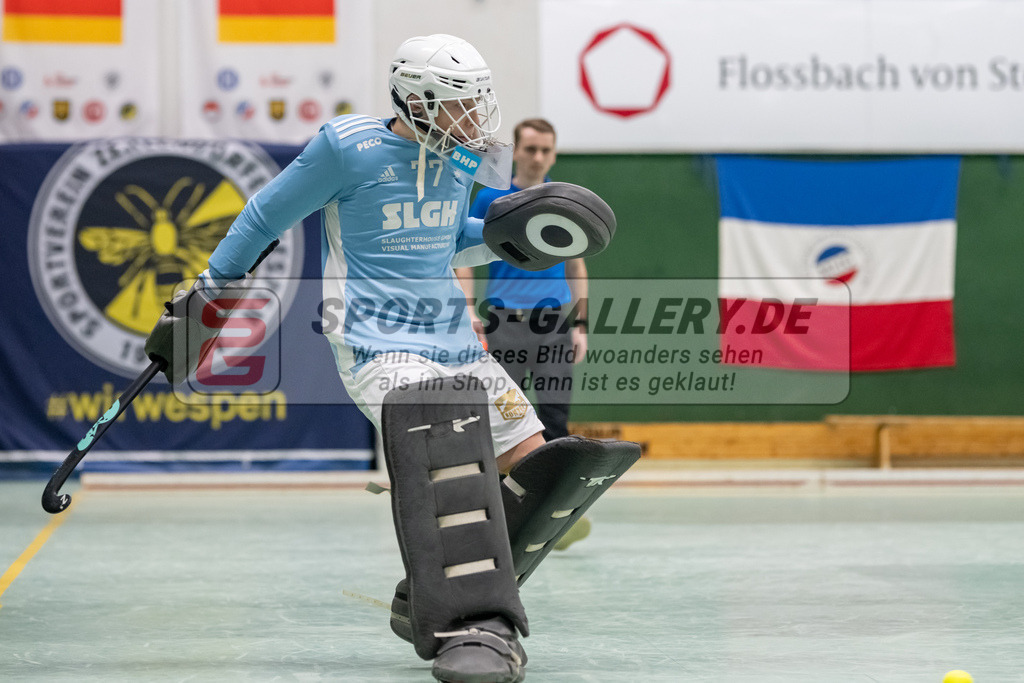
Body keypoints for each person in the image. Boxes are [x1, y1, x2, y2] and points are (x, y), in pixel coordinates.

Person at [144, 34, 638, 683]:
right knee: (443, 447)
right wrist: (208, 296)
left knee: (541, 468)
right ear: (419, 101)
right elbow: (263, 217)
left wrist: (506, 238)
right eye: (463, 102)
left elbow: (446, 241)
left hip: (452, 336)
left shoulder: (461, 153)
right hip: (376, 340)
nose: (478, 115)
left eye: (480, 100)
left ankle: (431, 594)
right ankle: (470, 621)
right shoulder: (345, 148)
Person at [455, 118, 591, 551]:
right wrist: (468, 311)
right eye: (530, 149)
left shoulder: (562, 200)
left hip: (553, 326)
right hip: (503, 325)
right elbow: (462, 256)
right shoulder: (491, 199)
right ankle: (496, 519)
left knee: (554, 421)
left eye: (545, 150)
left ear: (554, 154)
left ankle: (553, 517)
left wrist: (581, 325)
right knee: (501, 424)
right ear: (516, 151)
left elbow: (576, 265)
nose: (538, 157)